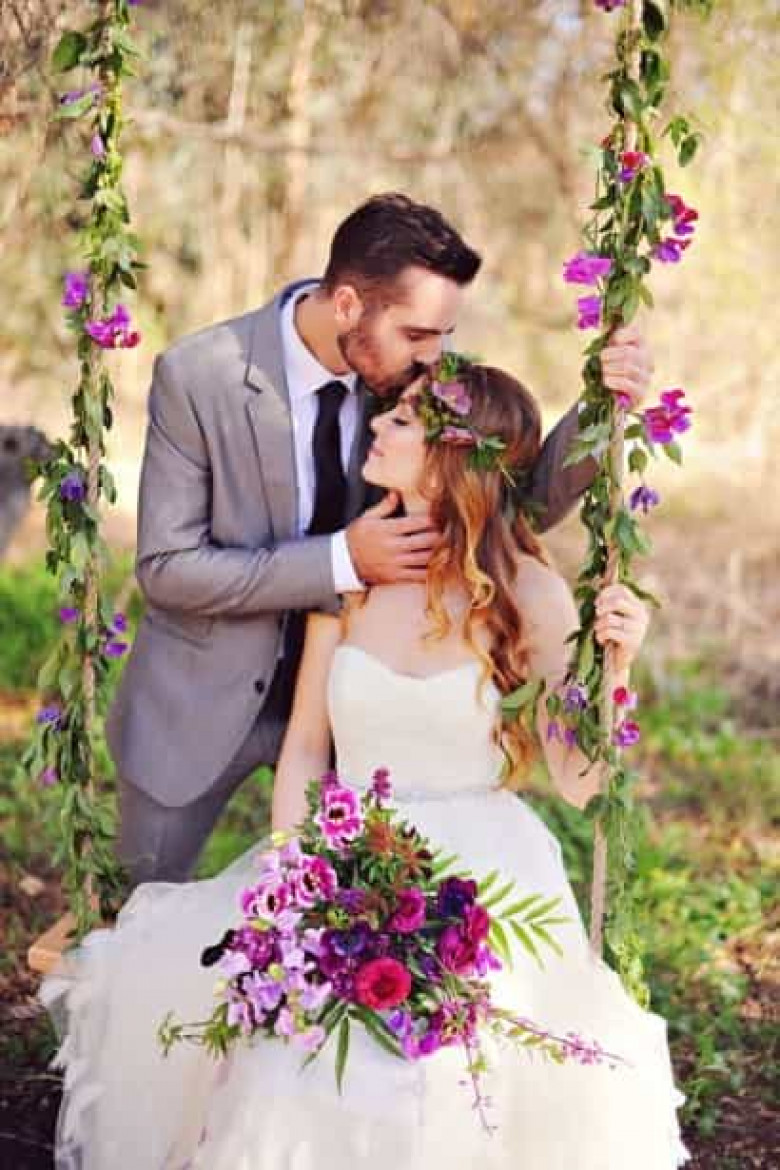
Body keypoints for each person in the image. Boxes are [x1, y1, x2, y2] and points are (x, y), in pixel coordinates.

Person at [43, 361, 689, 1169]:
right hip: (345, 854)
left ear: (455, 456)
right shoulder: (354, 578)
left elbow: (581, 779)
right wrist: (290, 878)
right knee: (288, 1051)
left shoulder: (527, 591)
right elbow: (306, 746)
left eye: (403, 420)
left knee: (455, 1066)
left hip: (481, 876)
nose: (377, 426)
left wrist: (617, 666)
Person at [106, 192, 655, 888]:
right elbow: (166, 567)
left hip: (371, 703)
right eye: (419, 333)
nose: (436, 357)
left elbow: (496, 505)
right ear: (347, 307)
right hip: (200, 699)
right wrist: (342, 560)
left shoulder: (421, 388)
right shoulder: (199, 376)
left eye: (445, 334)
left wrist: (603, 405)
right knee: (135, 907)